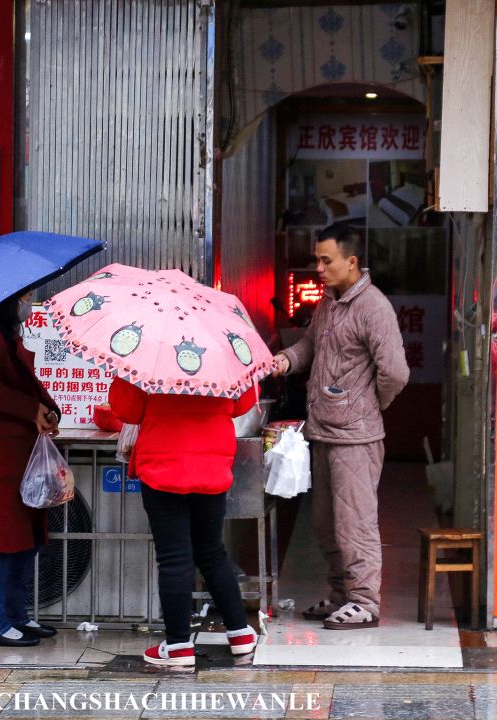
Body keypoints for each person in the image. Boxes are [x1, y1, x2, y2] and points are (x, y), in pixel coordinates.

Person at [272, 224, 408, 630]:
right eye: (317, 259)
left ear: (351, 262)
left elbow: (396, 373)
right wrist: (284, 360)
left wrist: (367, 405)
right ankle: (340, 595)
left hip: (356, 437)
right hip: (323, 431)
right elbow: (310, 346)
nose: (319, 268)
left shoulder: (374, 307)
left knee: (355, 523)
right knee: (326, 525)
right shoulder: (329, 303)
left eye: (326, 260)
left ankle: (365, 603)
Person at [109, 377, 260, 667]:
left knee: (174, 558)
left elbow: (126, 408)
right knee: (212, 552)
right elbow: (242, 403)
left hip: (163, 467)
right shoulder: (222, 352)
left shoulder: (150, 355)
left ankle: (178, 645)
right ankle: (240, 633)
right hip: (211, 467)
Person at [0, 290, 62, 647]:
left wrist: (46, 408)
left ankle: (16, 615)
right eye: (25, 297)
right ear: (7, 299)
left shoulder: (4, 333)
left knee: (23, 540)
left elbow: (21, 383)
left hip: (18, 454)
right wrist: (30, 409)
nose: (28, 303)